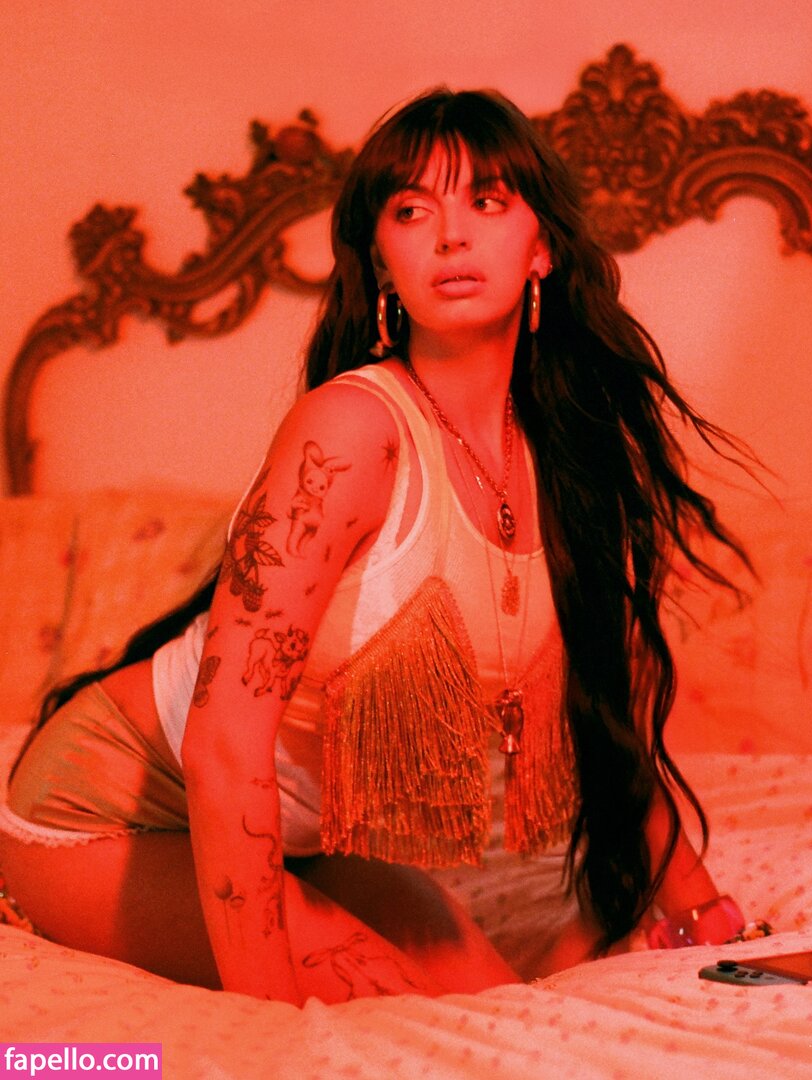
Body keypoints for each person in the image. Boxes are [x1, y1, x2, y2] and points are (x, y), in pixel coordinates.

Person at [0, 87, 753, 1005]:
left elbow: (605, 716)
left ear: (543, 248)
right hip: (104, 816)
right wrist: (271, 1024)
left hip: (301, 840)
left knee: (499, 1014)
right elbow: (225, 743)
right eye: (411, 210)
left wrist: (707, 915)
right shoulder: (352, 432)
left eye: (487, 200)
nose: (451, 236)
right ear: (383, 265)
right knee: (394, 1024)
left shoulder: (561, 453)